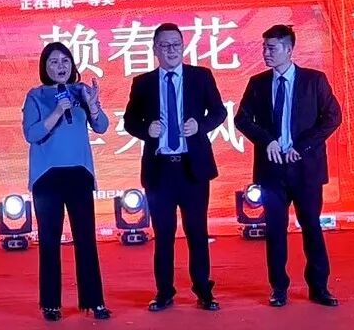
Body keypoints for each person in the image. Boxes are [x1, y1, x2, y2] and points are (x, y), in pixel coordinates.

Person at [234, 24, 342, 307]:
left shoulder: (314, 81)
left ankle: (319, 287)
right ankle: (279, 288)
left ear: (289, 50)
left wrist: (302, 146)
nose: (266, 53)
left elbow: (332, 117)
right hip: (272, 169)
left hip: (305, 168)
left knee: (311, 227)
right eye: (264, 48)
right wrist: (266, 141)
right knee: (275, 230)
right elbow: (241, 119)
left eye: (271, 48)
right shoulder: (257, 83)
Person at [124, 23, 227, 312]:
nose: (171, 50)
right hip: (160, 171)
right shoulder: (143, 83)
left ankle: (204, 291)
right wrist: (147, 130)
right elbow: (130, 121)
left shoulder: (200, 77)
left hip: (192, 169)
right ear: (155, 50)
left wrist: (200, 125)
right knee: (164, 234)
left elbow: (219, 112)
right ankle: (164, 292)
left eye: (176, 45)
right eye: (165, 45)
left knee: (197, 232)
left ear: (183, 47)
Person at [22, 42, 111, 322]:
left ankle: (94, 302)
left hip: (79, 174)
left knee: (86, 239)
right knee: (50, 240)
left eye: (64, 61)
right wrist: (57, 111)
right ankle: (51, 304)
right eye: (53, 62)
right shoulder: (36, 96)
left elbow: (102, 126)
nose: (60, 66)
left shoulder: (81, 91)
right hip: (47, 177)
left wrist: (93, 107)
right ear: (44, 67)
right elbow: (32, 134)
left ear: (72, 65)